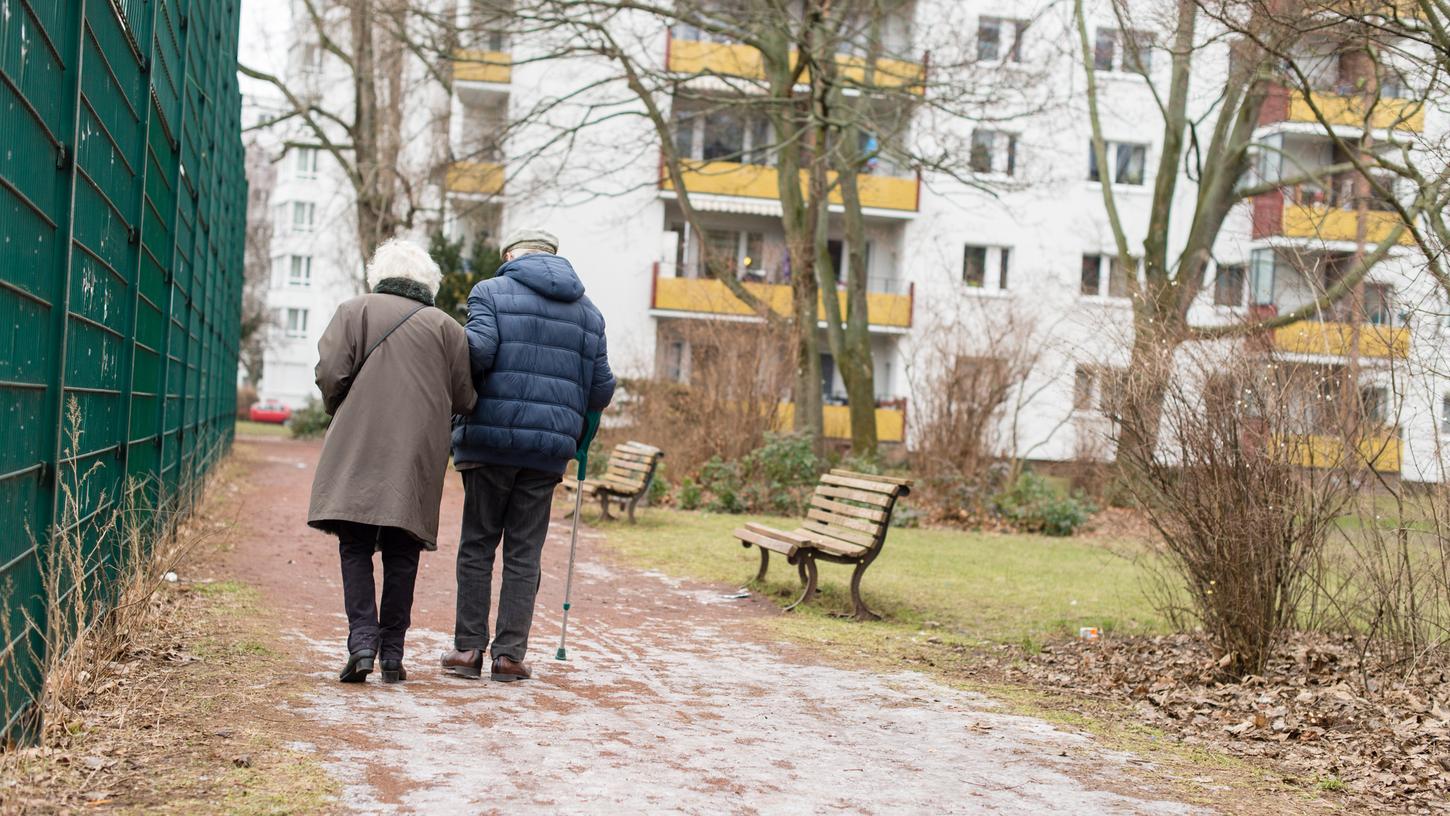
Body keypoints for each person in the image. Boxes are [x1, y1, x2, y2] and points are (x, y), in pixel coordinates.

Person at [441, 228, 615, 682]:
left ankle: (468, 650)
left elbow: (476, 353)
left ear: (509, 255)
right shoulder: (589, 313)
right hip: (547, 451)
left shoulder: (489, 292)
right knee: (525, 551)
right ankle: (509, 656)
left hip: (488, 442)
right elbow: (602, 388)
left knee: (478, 543)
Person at [308, 239, 476, 684]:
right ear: (429, 282)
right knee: (404, 549)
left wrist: (340, 406)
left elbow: (329, 374)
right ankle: (393, 653)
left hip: (359, 440)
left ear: (379, 274)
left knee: (356, 542)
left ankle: (362, 640)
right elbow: (465, 397)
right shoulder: (448, 329)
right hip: (418, 450)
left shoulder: (353, 311)